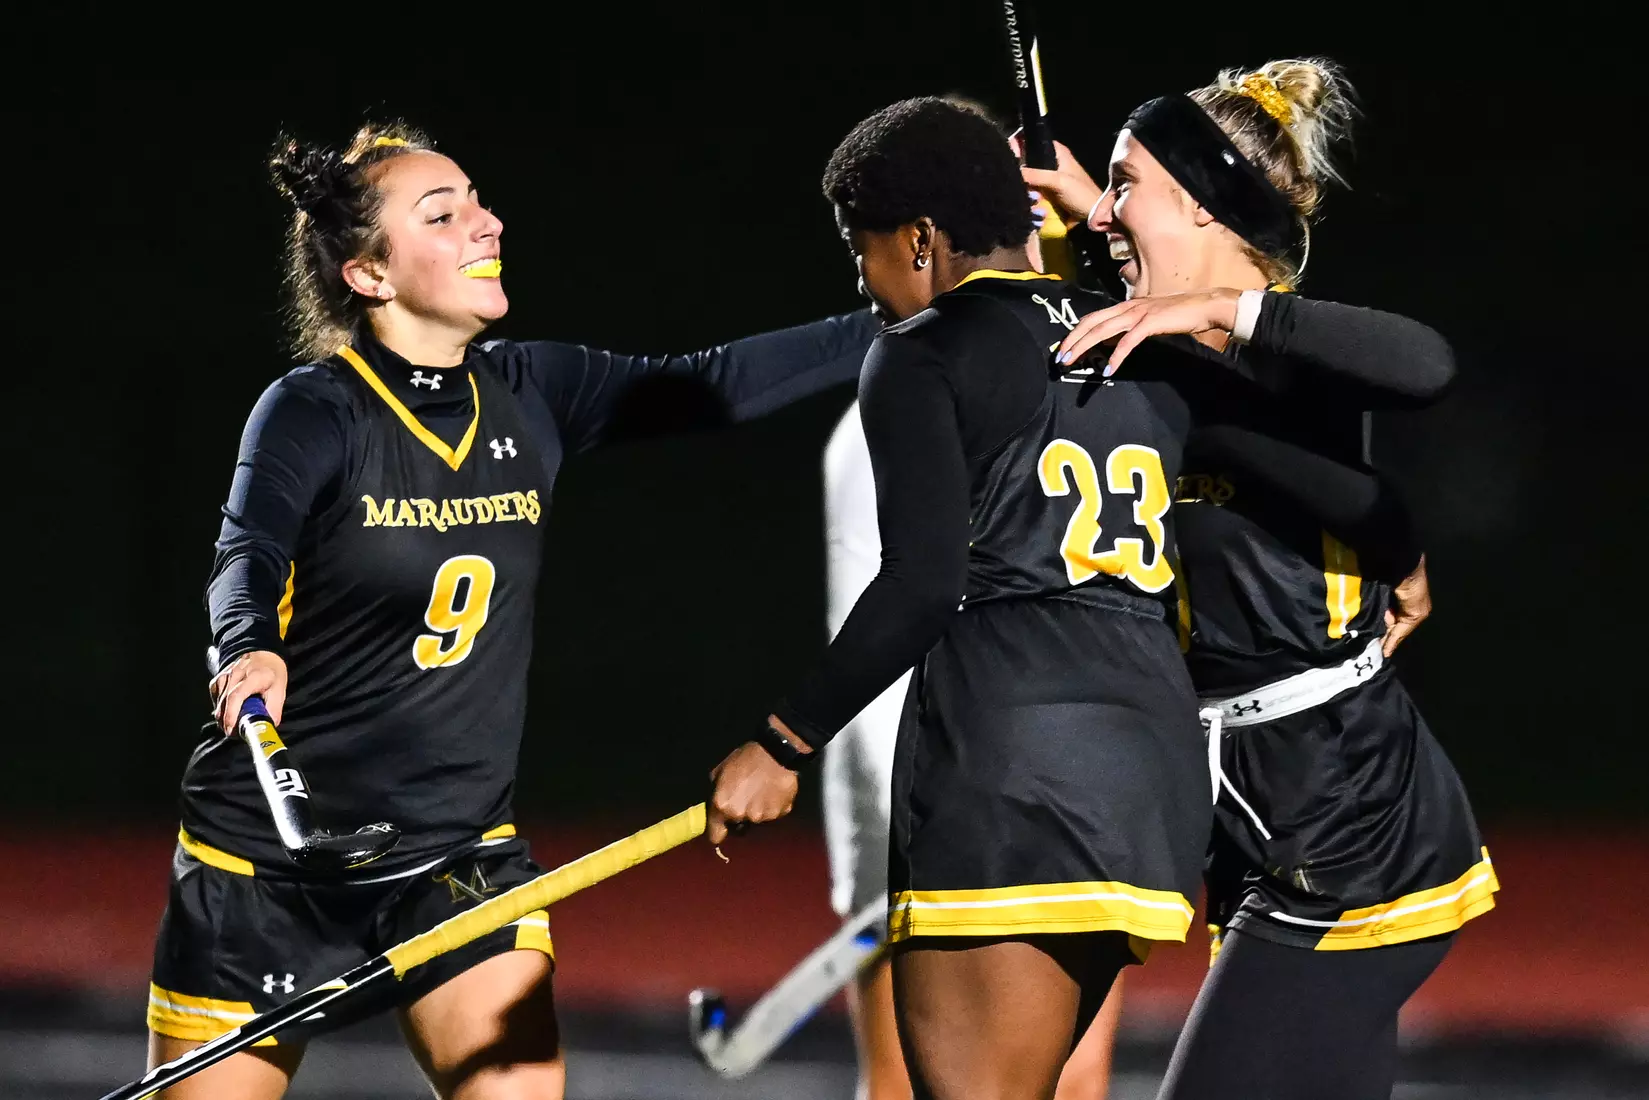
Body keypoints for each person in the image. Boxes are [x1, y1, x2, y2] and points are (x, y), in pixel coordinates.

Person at [146, 122, 878, 1100]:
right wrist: (248, 648)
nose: (486, 222)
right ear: (368, 274)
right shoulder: (314, 410)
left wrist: (926, 317)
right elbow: (248, 549)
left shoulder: (534, 387)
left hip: (456, 856)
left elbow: (722, 380)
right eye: (442, 214)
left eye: (476, 200)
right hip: (266, 873)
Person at [705, 96, 1266, 1100]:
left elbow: (923, 582)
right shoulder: (1142, 338)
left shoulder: (920, 348)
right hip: (1150, 786)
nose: (862, 277)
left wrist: (782, 737)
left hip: (1007, 777)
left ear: (919, 237)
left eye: (860, 245)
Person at [1025, 59, 1498, 1099]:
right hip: (1255, 809)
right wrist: (1088, 216)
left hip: (1346, 815)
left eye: (1125, 181)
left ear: (1196, 200)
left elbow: (1425, 366)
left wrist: (1223, 311)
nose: (1104, 208)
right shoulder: (1153, 339)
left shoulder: (1279, 343)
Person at [819, 95, 1123, 1100]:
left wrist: (784, 739)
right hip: (1100, 761)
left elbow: (914, 590)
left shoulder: (923, 369)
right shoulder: (1116, 359)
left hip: (960, 766)